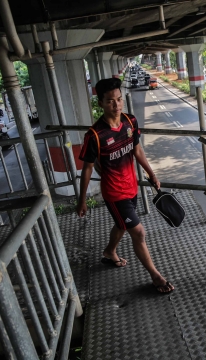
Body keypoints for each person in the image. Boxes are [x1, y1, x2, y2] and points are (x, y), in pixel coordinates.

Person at [76, 78, 174, 294]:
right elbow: (87, 169)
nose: (117, 105)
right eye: (111, 101)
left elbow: (137, 150)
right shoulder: (95, 135)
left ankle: (110, 251)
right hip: (114, 193)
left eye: (119, 100)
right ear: (100, 103)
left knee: (122, 225)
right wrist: (82, 199)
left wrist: (151, 173)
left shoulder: (130, 122)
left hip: (131, 188)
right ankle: (156, 276)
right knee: (138, 232)